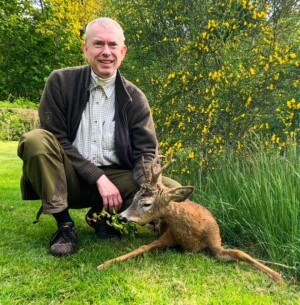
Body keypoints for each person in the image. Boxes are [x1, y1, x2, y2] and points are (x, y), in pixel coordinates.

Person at [17, 17, 180, 257]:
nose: (106, 52)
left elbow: (145, 152)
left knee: (170, 190)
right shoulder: (60, 82)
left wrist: (150, 187)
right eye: (98, 44)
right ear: (85, 49)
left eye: (112, 45)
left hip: (115, 178)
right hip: (67, 174)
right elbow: (55, 137)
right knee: (35, 140)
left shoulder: (136, 98)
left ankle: (103, 217)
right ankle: (65, 226)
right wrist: (98, 178)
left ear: (122, 52)